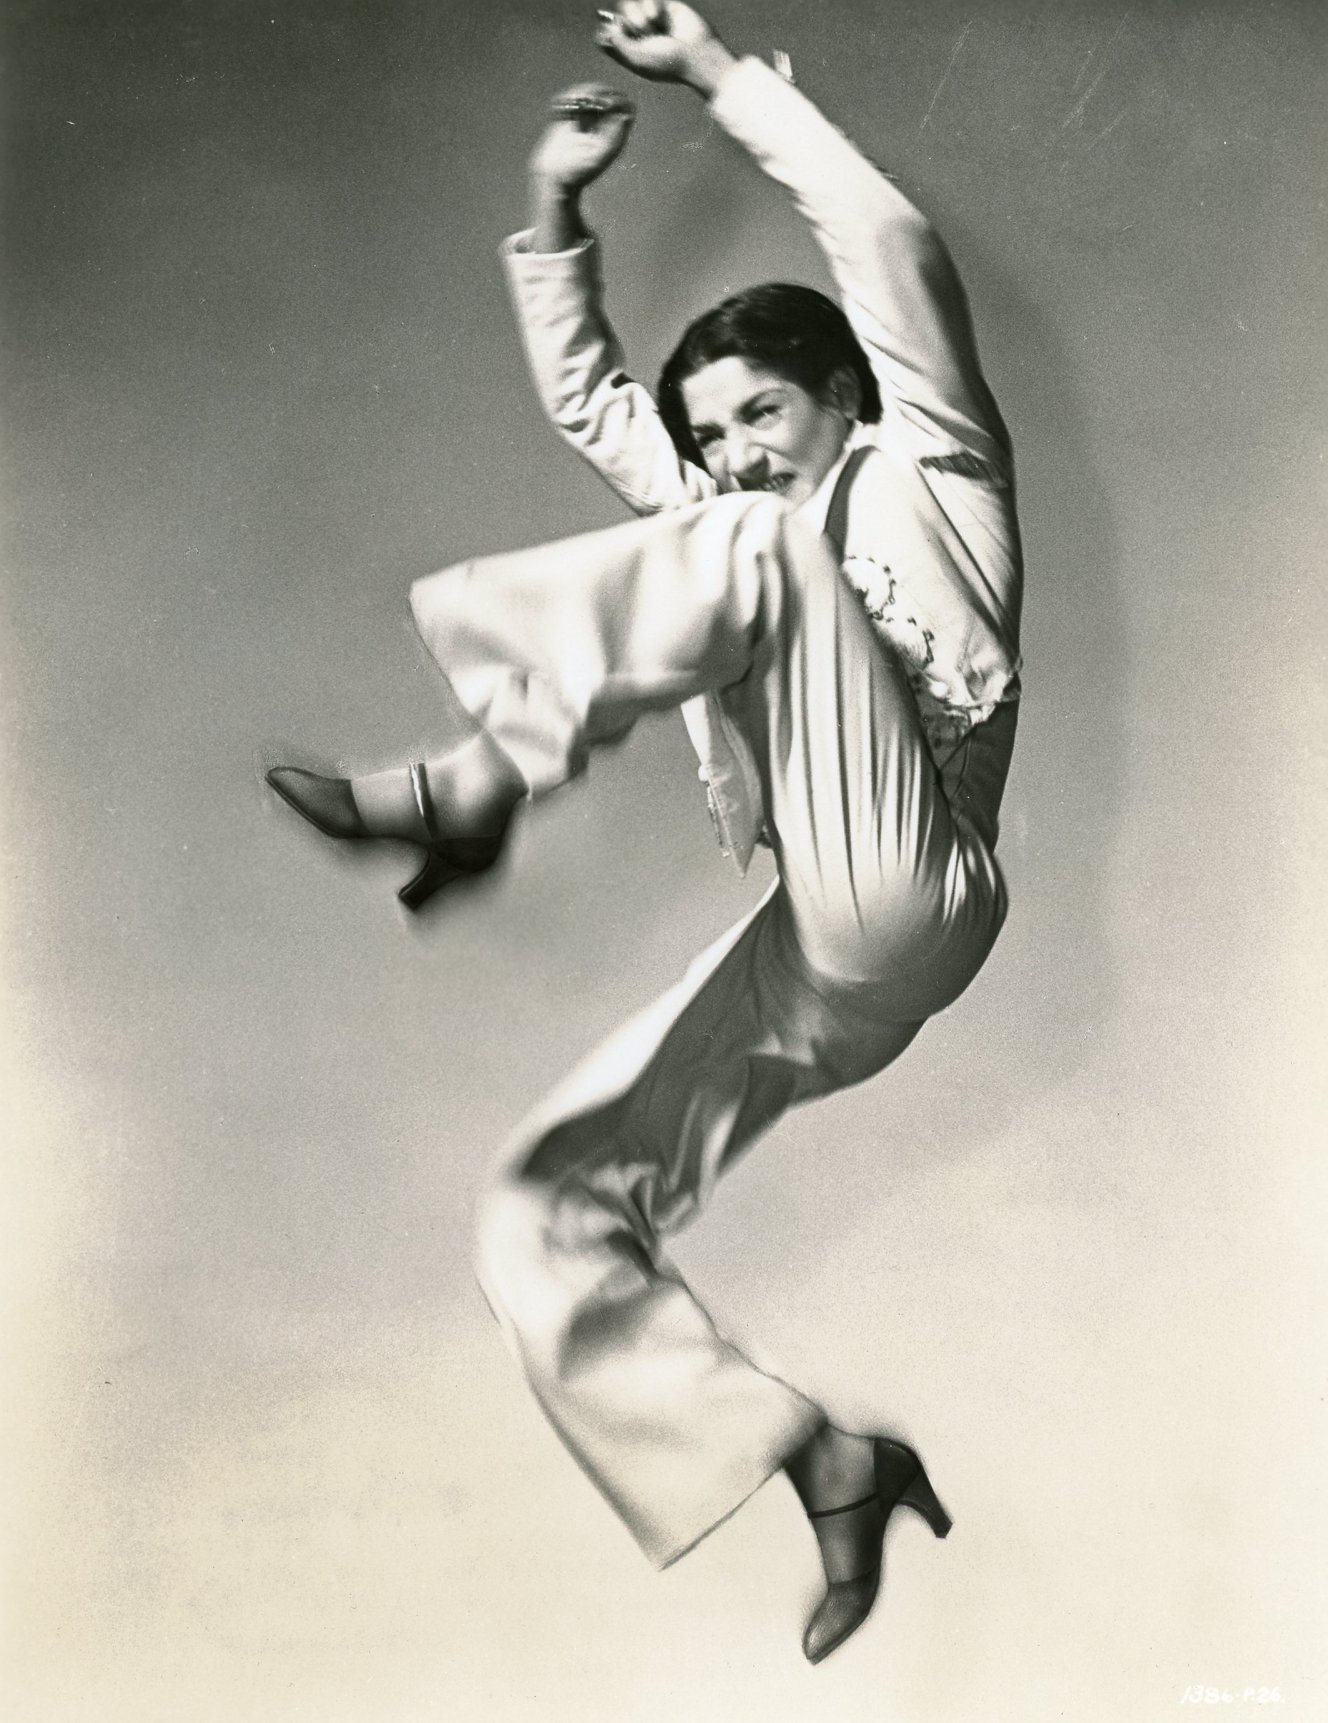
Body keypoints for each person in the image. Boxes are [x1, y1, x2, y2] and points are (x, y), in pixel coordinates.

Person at [266, 0, 1022, 1664]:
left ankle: (477, 795)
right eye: (713, 440)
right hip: (820, 955)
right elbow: (597, 407)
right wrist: (555, 206)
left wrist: (717, 79)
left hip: (925, 884)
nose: (730, 458)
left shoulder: (934, 469)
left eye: (760, 417)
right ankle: (822, 1460)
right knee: (537, 1205)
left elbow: (887, 242)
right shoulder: (735, 529)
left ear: (845, 397)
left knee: (753, 554)